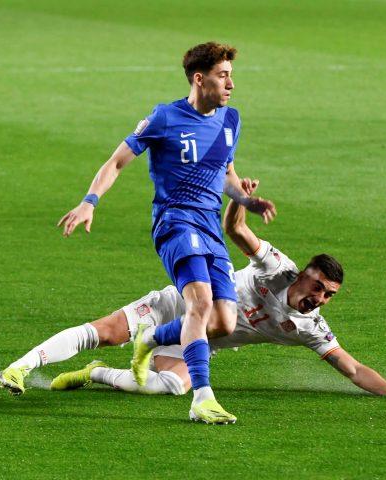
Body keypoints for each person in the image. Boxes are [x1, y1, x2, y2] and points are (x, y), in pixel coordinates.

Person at [0, 180, 386, 413]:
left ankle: (96, 374)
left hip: (197, 341)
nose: (320, 298)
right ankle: (18, 368)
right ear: (303, 275)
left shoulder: (309, 327)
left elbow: (352, 368)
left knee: (168, 386)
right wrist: (241, 198)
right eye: (318, 287)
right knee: (105, 332)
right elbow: (236, 230)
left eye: (329, 294)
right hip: (180, 304)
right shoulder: (276, 267)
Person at [55, 42, 276, 424]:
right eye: (223, 76)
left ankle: (150, 337)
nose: (231, 84)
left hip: (210, 228)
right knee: (200, 303)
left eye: (231, 76)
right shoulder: (165, 118)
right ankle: (203, 398)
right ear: (199, 79)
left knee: (224, 322)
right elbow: (117, 162)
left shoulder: (231, 120)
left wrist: (246, 200)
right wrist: (89, 201)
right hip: (176, 221)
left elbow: (225, 172)